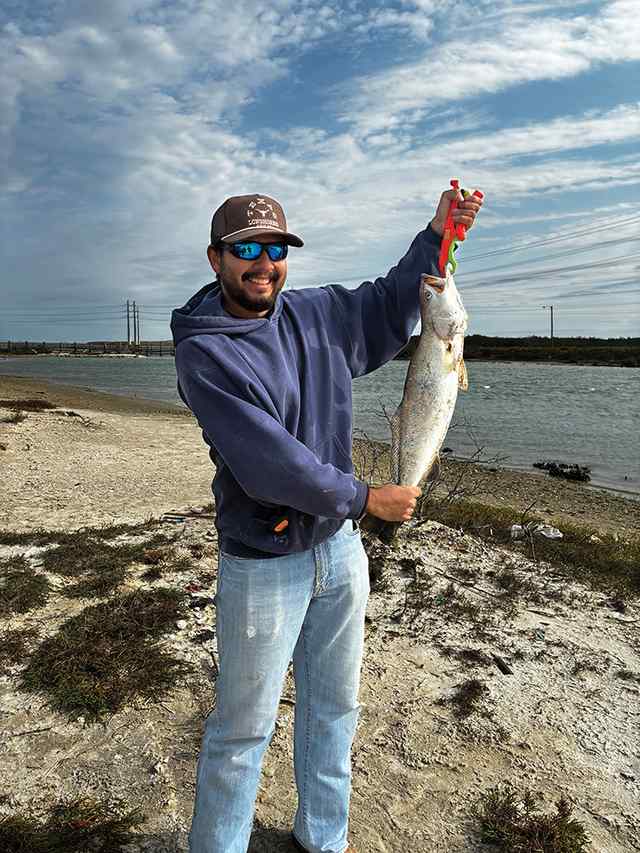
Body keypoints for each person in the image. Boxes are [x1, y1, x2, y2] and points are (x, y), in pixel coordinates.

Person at [171, 189, 482, 853]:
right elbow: (270, 465)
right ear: (217, 258)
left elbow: (391, 299)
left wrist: (436, 235)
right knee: (242, 728)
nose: (263, 263)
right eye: (246, 249)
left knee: (334, 709)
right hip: (263, 564)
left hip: (338, 553)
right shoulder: (206, 354)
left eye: (275, 249)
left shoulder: (317, 315)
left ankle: (323, 838)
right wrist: (368, 499)